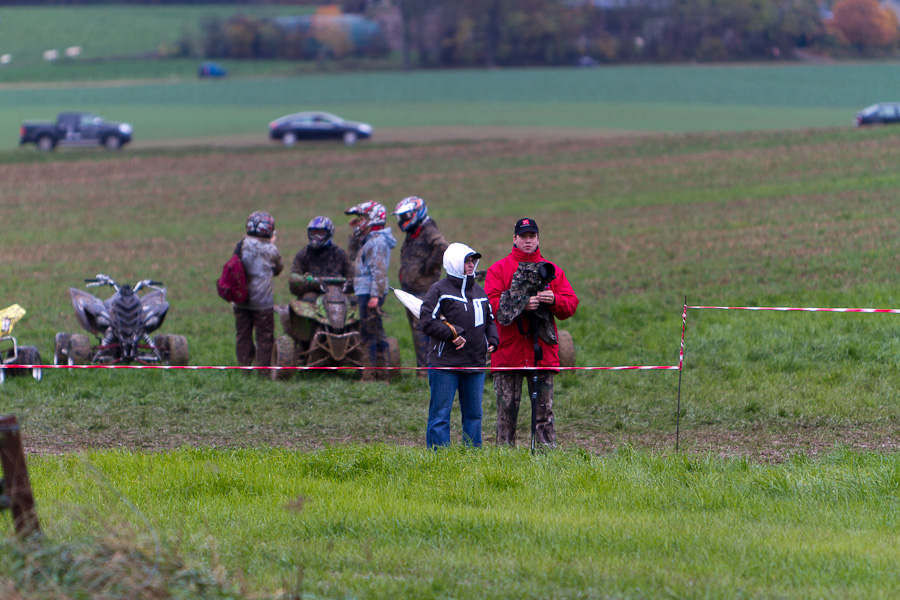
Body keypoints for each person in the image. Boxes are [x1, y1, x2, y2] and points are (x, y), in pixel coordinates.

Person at [485, 218, 578, 449]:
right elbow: (490, 304)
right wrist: (521, 304)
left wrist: (554, 300)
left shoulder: (552, 270)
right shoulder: (498, 269)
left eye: (532, 236)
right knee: (506, 415)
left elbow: (571, 304)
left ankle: (545, 461)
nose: (528, 241)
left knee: (544, 413)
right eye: (523, 236)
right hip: (508, 353)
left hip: (541, 353)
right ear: (514, 239)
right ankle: (504, 462)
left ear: (538, 239)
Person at [420, 243, 498, 448]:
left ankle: (472, 457)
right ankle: (439, 459)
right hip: (445, 363)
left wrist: (493, 340)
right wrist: (451, 333)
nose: (471, 265)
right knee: (440, 415)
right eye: (466, 261)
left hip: (475, 363)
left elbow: (490, 321)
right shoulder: (439, 291)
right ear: (454, 263)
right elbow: (427, 321)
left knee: (474, 415)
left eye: (472, 261)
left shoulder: (480, 292)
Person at [392, 196, 448, 377]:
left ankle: (427, 370)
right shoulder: (414, 232)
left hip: (424, 290)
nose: (401, 221)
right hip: (412, 289)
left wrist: (429, 267)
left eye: (404, 216)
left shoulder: (428, 230)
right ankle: (423, 368)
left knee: (423, 329)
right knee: (417, 331)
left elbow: (442, 247)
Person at [345, 201, 397, 382]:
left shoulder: (377, 242)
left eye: (362, 218)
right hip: (364, 290)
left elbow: (379, 270)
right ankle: (380, 374)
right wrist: (354, 234)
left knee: (369, 333)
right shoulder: (368, 240)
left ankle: (371, 375)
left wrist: (375, 295)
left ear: (373, 219)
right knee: (373, 331)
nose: (359, 222)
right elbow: (352, 256)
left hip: (370, 292)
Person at [234, 210, 283, 371]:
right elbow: (278, 269)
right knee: (264, 337)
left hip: (241, 300)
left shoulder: (241, 245)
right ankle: (263, 370)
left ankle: (244, 367)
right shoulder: (271, 250)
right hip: (263, 301)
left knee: (243, 336)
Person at [289, 216, 354, 301]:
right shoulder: (303, 255)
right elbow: (294, 284)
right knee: (305, 300)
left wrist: (347, 284)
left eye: (320, 233)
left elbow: (353, 277)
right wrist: (309, 283)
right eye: (313, 233)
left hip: (338, 295)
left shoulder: (340, 254)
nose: (316, 237)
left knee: (356, 302)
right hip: (314, 296)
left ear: (329, 233)